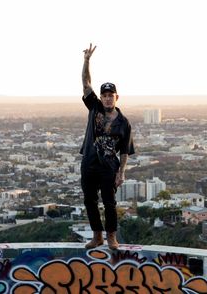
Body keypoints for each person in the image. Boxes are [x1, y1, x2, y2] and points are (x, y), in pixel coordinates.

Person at [80, 43, 134, 250]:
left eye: (111, 95)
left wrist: (121, 173)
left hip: (109, 167)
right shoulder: (94, 108)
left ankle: (111, 236)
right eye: (105, 95)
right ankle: (97, 236)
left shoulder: (124, 122)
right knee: (89, 201)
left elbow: (125, 150)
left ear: (116, 97)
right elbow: (86, 83)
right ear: (101, 97)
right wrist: (86, 61)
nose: (107, 97)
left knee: (110, 202)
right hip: (89, 162)